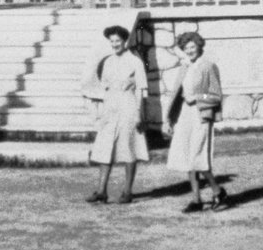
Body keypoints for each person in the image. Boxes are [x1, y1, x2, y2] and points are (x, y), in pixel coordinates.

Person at [82, 23, 149, 204]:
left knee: (129, 147)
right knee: (105, 147)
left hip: (128, 106)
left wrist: (138, 114)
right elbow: (104, 87)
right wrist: (102, 111)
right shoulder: (108, 61)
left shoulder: (135, 61)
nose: (114, 44)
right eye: (111, 41)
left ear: (125, 41)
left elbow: (142, 89)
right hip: (110, 107)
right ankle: (101, 190)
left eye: (117, 41)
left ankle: (127, 191)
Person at [164, 30, 227, 212]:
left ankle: (217, 190)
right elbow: (176, 94)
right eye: (186, 47)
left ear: (199, 46)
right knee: (186, 157)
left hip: (201, 115)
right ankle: (196, 199)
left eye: (192, 46)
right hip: (184, 115)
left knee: (197, 157)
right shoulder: (184, 67)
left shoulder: (208, 66)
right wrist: (169, 119)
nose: (190, 50)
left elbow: (216, 95)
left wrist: (198, 97)